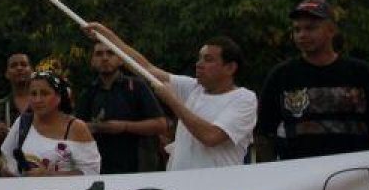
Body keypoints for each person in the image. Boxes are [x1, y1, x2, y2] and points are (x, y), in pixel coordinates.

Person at [82, 23, 257, 171]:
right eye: (200, 59)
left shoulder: (244, 99)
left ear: (230, 68)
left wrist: (172, 100)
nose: (199, 64)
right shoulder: (194, 88)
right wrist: (108, 36)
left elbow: (211, 136)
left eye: (208, 60)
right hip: (178, 186)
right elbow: (146, 68)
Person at [256, 0, 369, 160]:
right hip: (300, 176)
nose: (302, 35)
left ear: (331, 30)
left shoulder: (361, 73)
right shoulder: (281, 75)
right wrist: (269, 172)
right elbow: (264, 133)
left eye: (311, 28)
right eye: (297, 29)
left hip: (354, 172)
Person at [75, 42, 168, 173]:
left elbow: (160, 125)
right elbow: (77, 128)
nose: (105, 58)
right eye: (99, 54)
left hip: (138, 167)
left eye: (110, 53)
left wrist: (124, 127)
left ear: (120, 59)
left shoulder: (137, 87)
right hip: (100, 168)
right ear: (93, 61)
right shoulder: (88, 92)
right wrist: (94, 127)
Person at [2, 71, 99, 176]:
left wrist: (49, 175)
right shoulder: (23, 122)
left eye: (44, 93)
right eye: (33, 94)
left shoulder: (76, 127)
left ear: (58, 97)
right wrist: (9, 171)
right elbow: (5, 156)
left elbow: (91, 172)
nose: (38, 100)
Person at [0, 53, 33, 151]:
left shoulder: (45, 105)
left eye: (24, 64)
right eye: (13, 65)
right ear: (7, 74)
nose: (19, 68)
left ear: (32, 71)